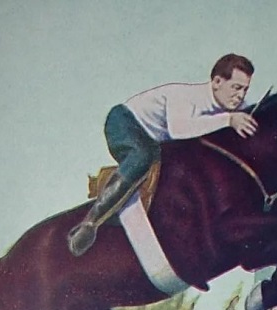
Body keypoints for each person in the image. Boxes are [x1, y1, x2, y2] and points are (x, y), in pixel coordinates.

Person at [68, 53, 258, 257]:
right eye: (236, 88)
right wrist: (228, 120)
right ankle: (90, 223)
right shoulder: (187, 97)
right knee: (143, 155)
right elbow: (179, 130)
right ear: (217, 82)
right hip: (126, 122)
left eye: (245, 89)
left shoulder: (234, 106)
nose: (240, 96)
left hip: (157, 140)